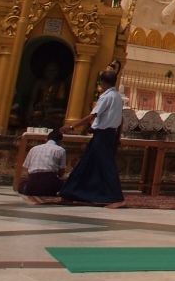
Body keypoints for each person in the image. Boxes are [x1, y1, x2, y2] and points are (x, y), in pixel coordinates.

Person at [59, 68, 125, 208]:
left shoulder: (106, 97)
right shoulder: (118, 97)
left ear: (102, 82)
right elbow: (121, 119)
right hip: (108, 134)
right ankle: (70, 193)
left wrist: (72, 127)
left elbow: (92, 116)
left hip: (103, 135)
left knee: (107, 165)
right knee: (86, 164)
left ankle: (118, 198)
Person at [18, 129, 67, 202]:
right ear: (59, 141)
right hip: (50, 182)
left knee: (22, 185)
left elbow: (26, 167)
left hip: (32, 184)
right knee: (66, 186)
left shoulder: (34, 149)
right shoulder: (61, 150)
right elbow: (62, 171)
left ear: (46, 139)